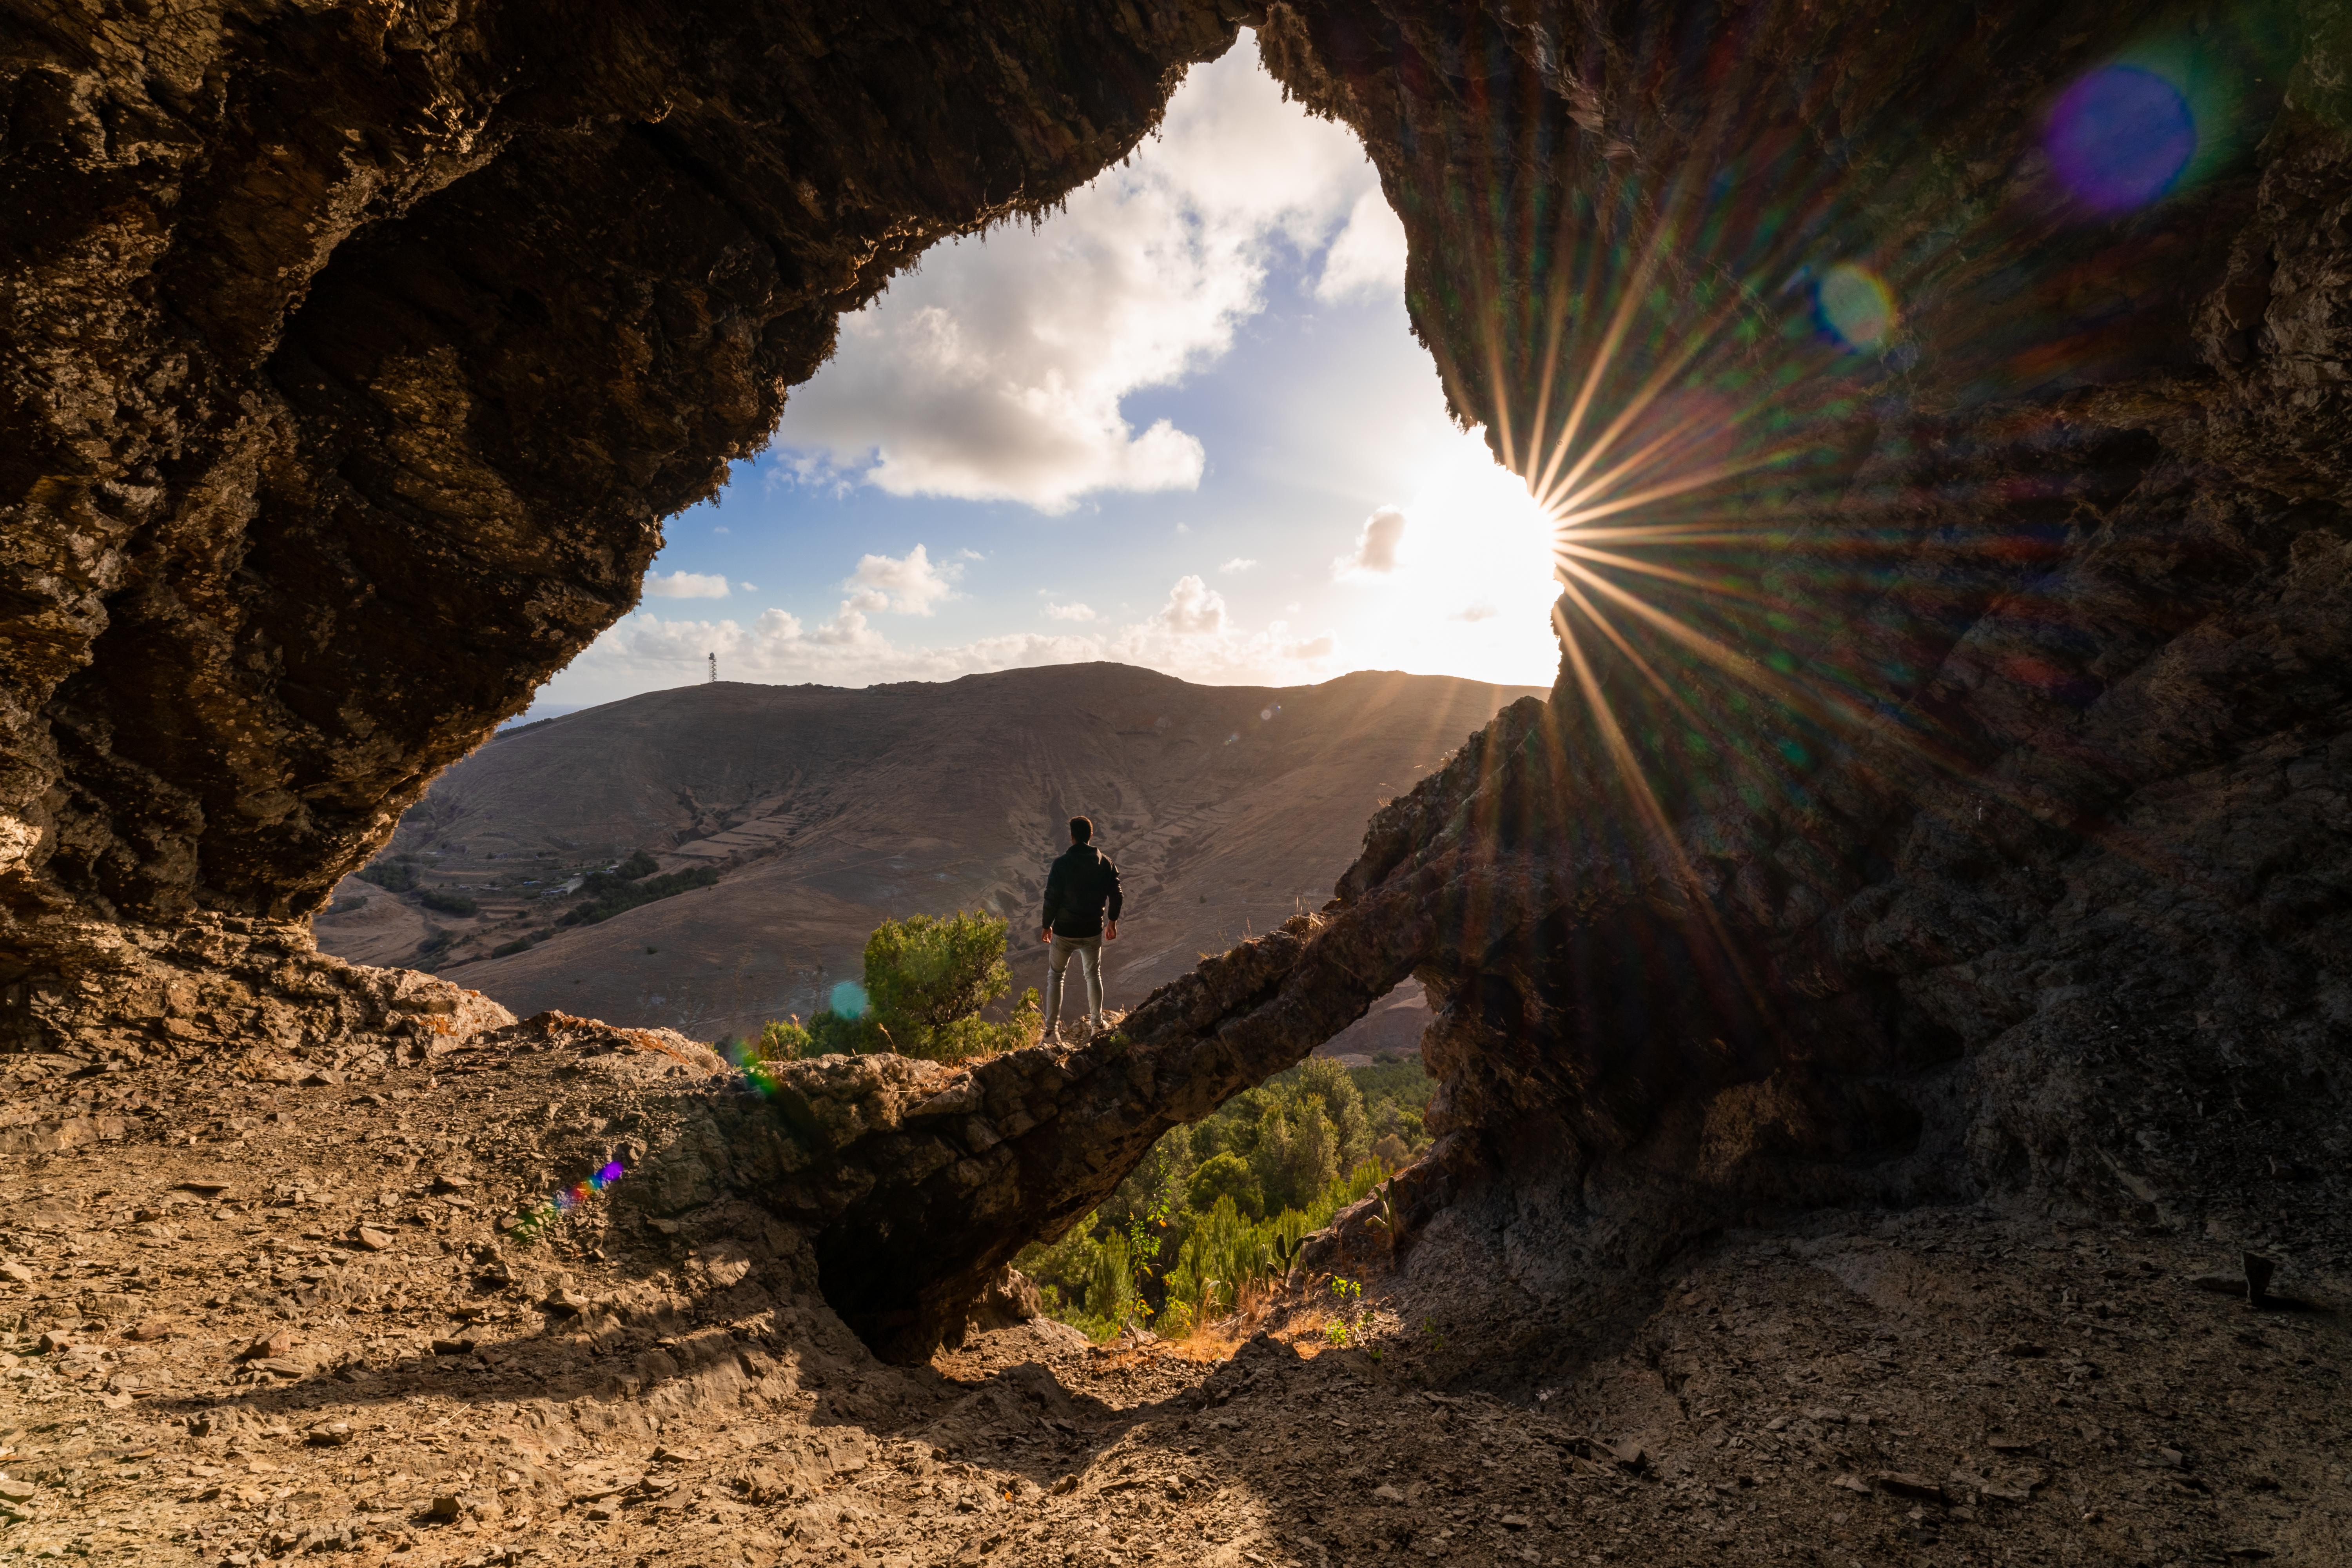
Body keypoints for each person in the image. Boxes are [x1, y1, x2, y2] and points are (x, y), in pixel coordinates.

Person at [1039, 815, 1122, 1043]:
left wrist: (1047, 926)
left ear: (1072, 837)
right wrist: (1112, 922)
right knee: (1093, 975)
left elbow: (1051, 898)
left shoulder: (1061, 864)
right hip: (1092, 930)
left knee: (1056, 977)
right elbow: (1117, 894)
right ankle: (1097, 1026)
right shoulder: (1105, 862)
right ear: (1091, 836)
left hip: (1064, 931)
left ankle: (1051, 1033)